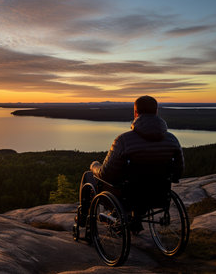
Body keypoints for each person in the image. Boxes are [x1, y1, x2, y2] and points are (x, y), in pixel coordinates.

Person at [77, 95, 184, 228]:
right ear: (156, 112)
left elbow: (106, 174)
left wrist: (94, 166)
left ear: (135, 113)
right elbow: (178, 172)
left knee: (88, 176)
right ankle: (135, 219)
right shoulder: (172, 140)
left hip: (127, 198)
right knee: (136, 186)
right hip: (157, 195)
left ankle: (82, 219)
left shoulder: (124, 141)